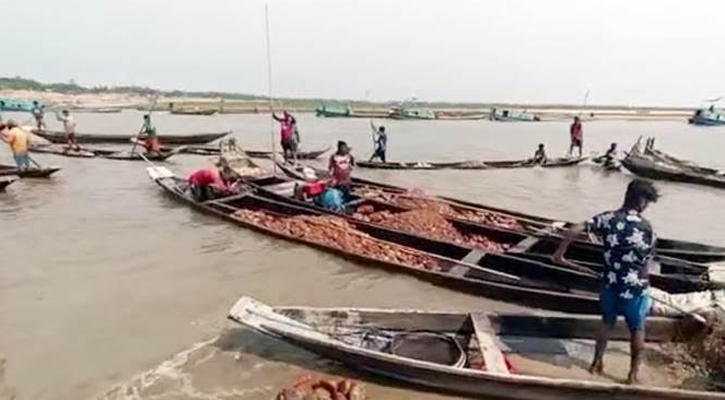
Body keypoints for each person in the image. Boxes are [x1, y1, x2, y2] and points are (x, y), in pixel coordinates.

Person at [553, 179, 660, 384]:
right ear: (641, 200)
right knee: (637, 329)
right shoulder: (649, 229)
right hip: (635, 288)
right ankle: (632, 375)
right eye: (647, 202)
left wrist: (560, 252)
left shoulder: (608, 218)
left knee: (606, 322)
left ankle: (596, 364)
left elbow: (576, 228)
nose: (647, 207)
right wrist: (645, 285)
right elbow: (646, 264)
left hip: (611, 284)